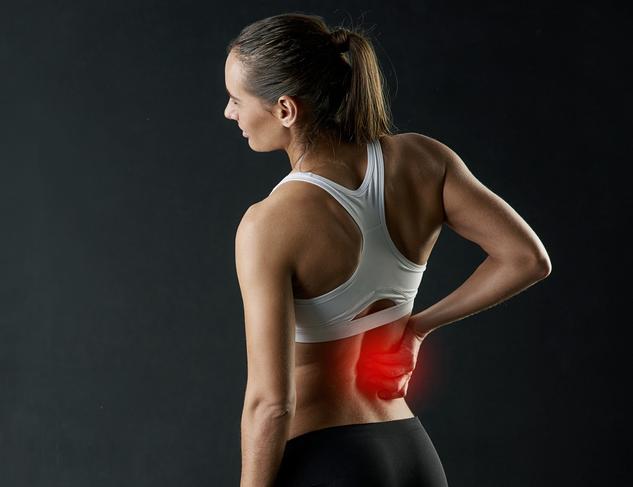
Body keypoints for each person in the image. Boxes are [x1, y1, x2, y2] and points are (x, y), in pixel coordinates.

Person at [224, 12, 551, 487]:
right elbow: (527, 258)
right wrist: (417, 327)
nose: (229, 113)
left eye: (236, 99)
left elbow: (271, 403)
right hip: (410, 452)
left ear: (285, 110)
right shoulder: (424, 159)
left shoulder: (269, 223)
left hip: (326, 460)